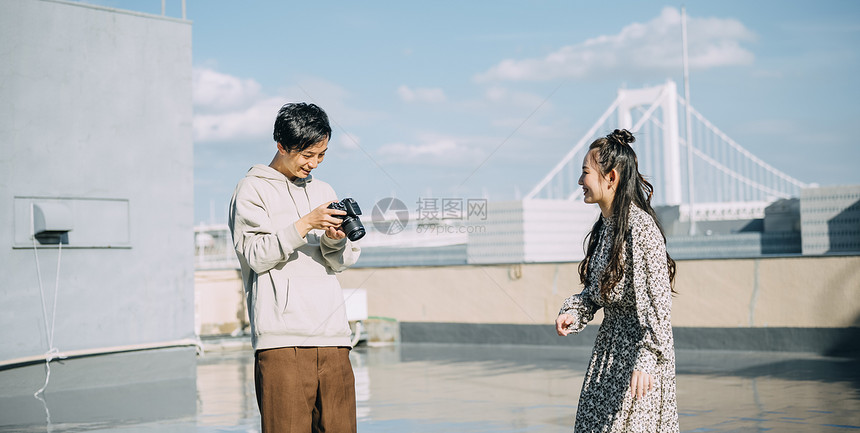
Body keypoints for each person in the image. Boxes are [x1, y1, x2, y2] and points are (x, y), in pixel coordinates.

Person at [228, 102, 361, 433]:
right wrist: (305, 223)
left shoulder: (324, 191)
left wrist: (334, 239)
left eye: (322, 155)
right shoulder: (251, 190)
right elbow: (256, 255)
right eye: (307, 155)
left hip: (334, 338)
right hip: (282, 342)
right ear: (282, 145)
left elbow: (341, 263)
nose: (314, 164)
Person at [555, 129, 679, 432]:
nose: (580, 181)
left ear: (611, 177)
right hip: (607, 356)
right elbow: (597, 294)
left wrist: (647, 360)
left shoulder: (642, 229)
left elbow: (658, 307)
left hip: (640, 363)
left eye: (585, 172)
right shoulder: (605, 227)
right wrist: (575, 311)